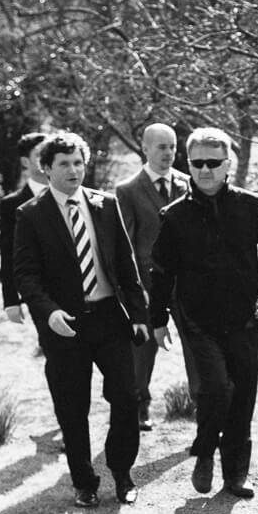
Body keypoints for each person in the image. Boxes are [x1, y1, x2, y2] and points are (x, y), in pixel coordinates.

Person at [13, 132, 149, 508]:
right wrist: (49, 312)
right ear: (47, 169)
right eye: (64, 164)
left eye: (78, 163)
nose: (73, 170)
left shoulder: (106, 205)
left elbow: (126, 264)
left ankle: (122, 473)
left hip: (109, 318)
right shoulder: (30, 215)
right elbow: (26, 275)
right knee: (72, 407)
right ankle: (84, 482)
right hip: (65, 325)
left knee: (126, 395)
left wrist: (138, 314)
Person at [149, 127, 258, 499]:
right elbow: (160, 271)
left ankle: (235, 475)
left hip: (245, 318)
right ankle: (204, 452)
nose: (205, 170)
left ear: (229, 164)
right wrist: (158, 319)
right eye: (197, 163)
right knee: (214, 389)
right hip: (197, 321)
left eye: (213, 163)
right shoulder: (174, 216)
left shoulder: (250, 204)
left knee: (242, 397)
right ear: (188, 165)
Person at [114, 123, 193, 431]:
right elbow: (126, 246)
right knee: (142, 350)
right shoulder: (128, 190)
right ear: (145, 149)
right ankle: (139, 408)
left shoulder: (188, 184)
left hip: (185, 285)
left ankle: (203, 408)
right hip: (147, 286)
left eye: (172, 147)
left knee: (195, 347)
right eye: (161, 147)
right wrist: (134, 291)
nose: (168, 153)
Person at [0, 132, 50, 324]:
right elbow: (8, 252)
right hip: (40, 291)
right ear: (25, 162)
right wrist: (11, 300)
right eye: (39, 154)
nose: (46, 158)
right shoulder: (12, 204)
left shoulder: (73, 194)